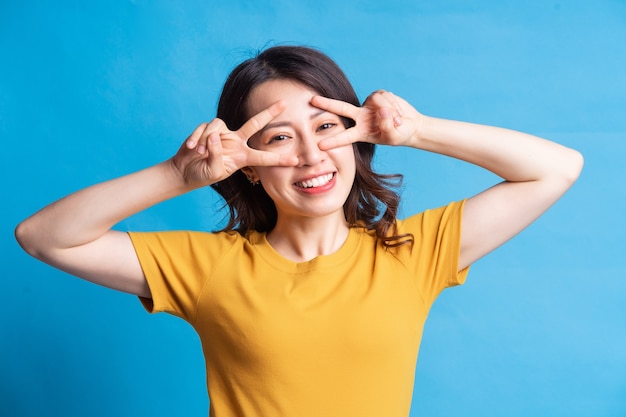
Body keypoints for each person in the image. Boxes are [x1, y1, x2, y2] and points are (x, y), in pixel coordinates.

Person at [15, 45, 583, 417]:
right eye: (279, 138)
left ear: (357, 144)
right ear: (249, 165)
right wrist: (176, 173)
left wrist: (418, 131)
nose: (312, 156)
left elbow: (556, 168)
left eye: (327, 128)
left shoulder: (410, 254)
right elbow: (44, 236)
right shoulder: (208, 267)